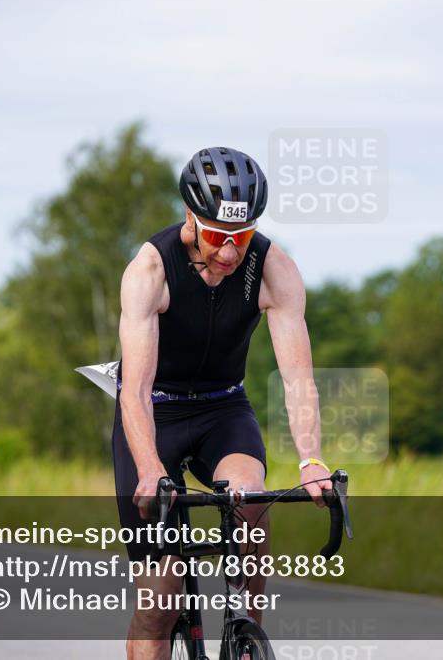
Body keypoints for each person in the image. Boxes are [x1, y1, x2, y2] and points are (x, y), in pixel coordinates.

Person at [112, 146, 332, 660]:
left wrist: (311, 459)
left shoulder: (273, 268)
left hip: (223, 409)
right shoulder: (150, 269)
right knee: (159, 601)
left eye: (242, 236)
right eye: (217, 236)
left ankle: (245, 630)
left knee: (249, 495)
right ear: (192, 217)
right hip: (156, 413)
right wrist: (149, 468)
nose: (230, 253)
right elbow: (135, 390)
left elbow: (298, 379)